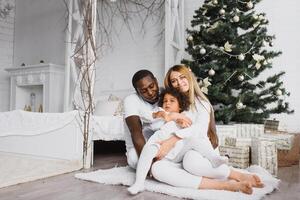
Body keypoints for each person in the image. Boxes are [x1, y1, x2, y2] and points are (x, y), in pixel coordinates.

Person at [149, 64, 264, 194]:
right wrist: (172, 116)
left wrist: (172, 139)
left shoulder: (202, 103)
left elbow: (199, 130)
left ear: (189, 77)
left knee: (190, 162)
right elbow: (154, 119)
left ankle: (233, 178)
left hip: (197, 151)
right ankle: (221, 183)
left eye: (182, 77)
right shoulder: (169, 102)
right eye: (174, 81)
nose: (179, 83)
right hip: (174, 154)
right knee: (157, 169)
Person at [128, 88, 228, 194]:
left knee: (194, 139)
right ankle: (139, 183)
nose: (167, 103)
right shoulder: (161, 113)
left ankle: (213, 158)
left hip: (177, 152)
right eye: (165, 101)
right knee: (148, 149)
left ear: (180, 106)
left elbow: (193, 130)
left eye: (172, 101)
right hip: (159, 147)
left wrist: (181, 122)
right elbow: (145, 116)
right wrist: (166, 115)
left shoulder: (184, 116)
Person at [123, 70, 191, 169]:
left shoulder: (165, 94)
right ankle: (162, 166)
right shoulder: (131, 100)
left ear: (156, 81)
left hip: (164, 142)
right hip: (142, 145)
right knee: (134, 159)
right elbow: (136, 134)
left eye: (152, 86)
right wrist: (149, 164)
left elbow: (181, 111)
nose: (150, 93)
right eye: (143, 91)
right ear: (137, 92)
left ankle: (165, 165)